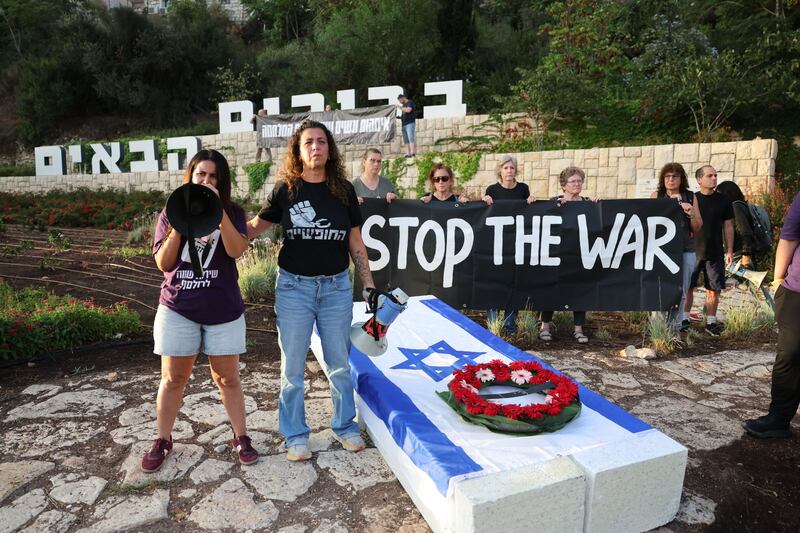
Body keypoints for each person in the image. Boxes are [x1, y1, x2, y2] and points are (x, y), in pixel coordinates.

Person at [246, 120, 376, 461]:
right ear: (298, 151)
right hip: (294, 288)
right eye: (309, 143)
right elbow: (254, 229)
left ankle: (345, 427)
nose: (316, 147)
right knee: (291, 367)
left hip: (335, 288)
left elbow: (356, 242)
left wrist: (370, 285)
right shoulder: (285, 190)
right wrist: (216, 223)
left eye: (321, 141)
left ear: (329, 149)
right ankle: (295, 435)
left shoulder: (344, 191)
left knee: (339, 364)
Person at [142, 149, 257, 472]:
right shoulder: (171, 211)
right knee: (173, 379)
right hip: (179, 307)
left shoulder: (232, 212)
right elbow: (163, 263)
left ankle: (241, 437)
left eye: (213, 176)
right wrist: (179, 225)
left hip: (223, 309)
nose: (206, 180)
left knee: (227, 378)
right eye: (201, 175)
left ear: (221, 182)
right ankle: (163, 439)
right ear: (190, 177)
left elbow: (236, 250)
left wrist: (218, 213)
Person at [742, 191, 800, 439]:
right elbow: (788, 238)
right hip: (797, 291)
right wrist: (778, 280)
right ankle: (778, 419)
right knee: (790, 354)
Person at [538, 166, 598, 344]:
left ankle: (578, 329)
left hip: (580, 254)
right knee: (551, 288)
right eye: (573, 181)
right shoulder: (555, 202)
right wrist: (553, 205)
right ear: (564, 185)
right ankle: (545, 326)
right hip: (557, 253)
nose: (578, 184)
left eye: (580, 180)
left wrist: (600, 206)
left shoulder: (588, 202)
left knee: (580, 289)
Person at [482, 155, 536, 334]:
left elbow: (530, 213)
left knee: (513, 283)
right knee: (494, 282)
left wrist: (531, 202)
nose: (509, 171)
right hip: (495, 245)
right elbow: (484, 214)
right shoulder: (492, 190)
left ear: (516, 170)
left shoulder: (523, 189)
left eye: (512, 168)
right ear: (500, 171)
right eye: (505, 168)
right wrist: (485, 202)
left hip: (517, 244)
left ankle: (509, 326)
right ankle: (493, 325)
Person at [650, 163, 703, 331]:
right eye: (667, 176)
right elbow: (648, 226)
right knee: (659, 288)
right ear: (662, 179)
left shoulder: (689, 196)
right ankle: (658, 328)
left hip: (685, 249)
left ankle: (675, 326)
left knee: (681, 289)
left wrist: (691, 214)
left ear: (681, 179)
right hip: (661, 251)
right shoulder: (656, 196)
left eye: (675, 176)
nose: (671, 179)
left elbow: (697, 227)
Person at [685, 165, 734, 337]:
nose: (714, 178)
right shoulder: (691, 199)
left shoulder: (723, 200)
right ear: (699, 180)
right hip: (693, 250)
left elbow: (728, 226)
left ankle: (711, 322)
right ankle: (684, 319)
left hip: (714, 252)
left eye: (715, 175)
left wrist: (729, 250)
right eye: (710, 175)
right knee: (687, 286)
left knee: (713, 288)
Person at [716, 180, 759, 270]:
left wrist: (746, 255)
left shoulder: (736, 207)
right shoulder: (738, 206)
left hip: (739, 255)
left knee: (742, 282)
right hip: (736, 254)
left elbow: (745, 232)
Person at [397, 94, 416, 158]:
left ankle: (412, 152)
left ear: (403, 98)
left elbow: (408, 110)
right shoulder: (404, 105)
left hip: (410, 123)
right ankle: (407, 153)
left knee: (410, 137)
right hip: (404, 124)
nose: (399, 102)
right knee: (406, 140)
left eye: (400, 100)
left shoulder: (409, 102)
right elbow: (404, 114)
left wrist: (400, 107)